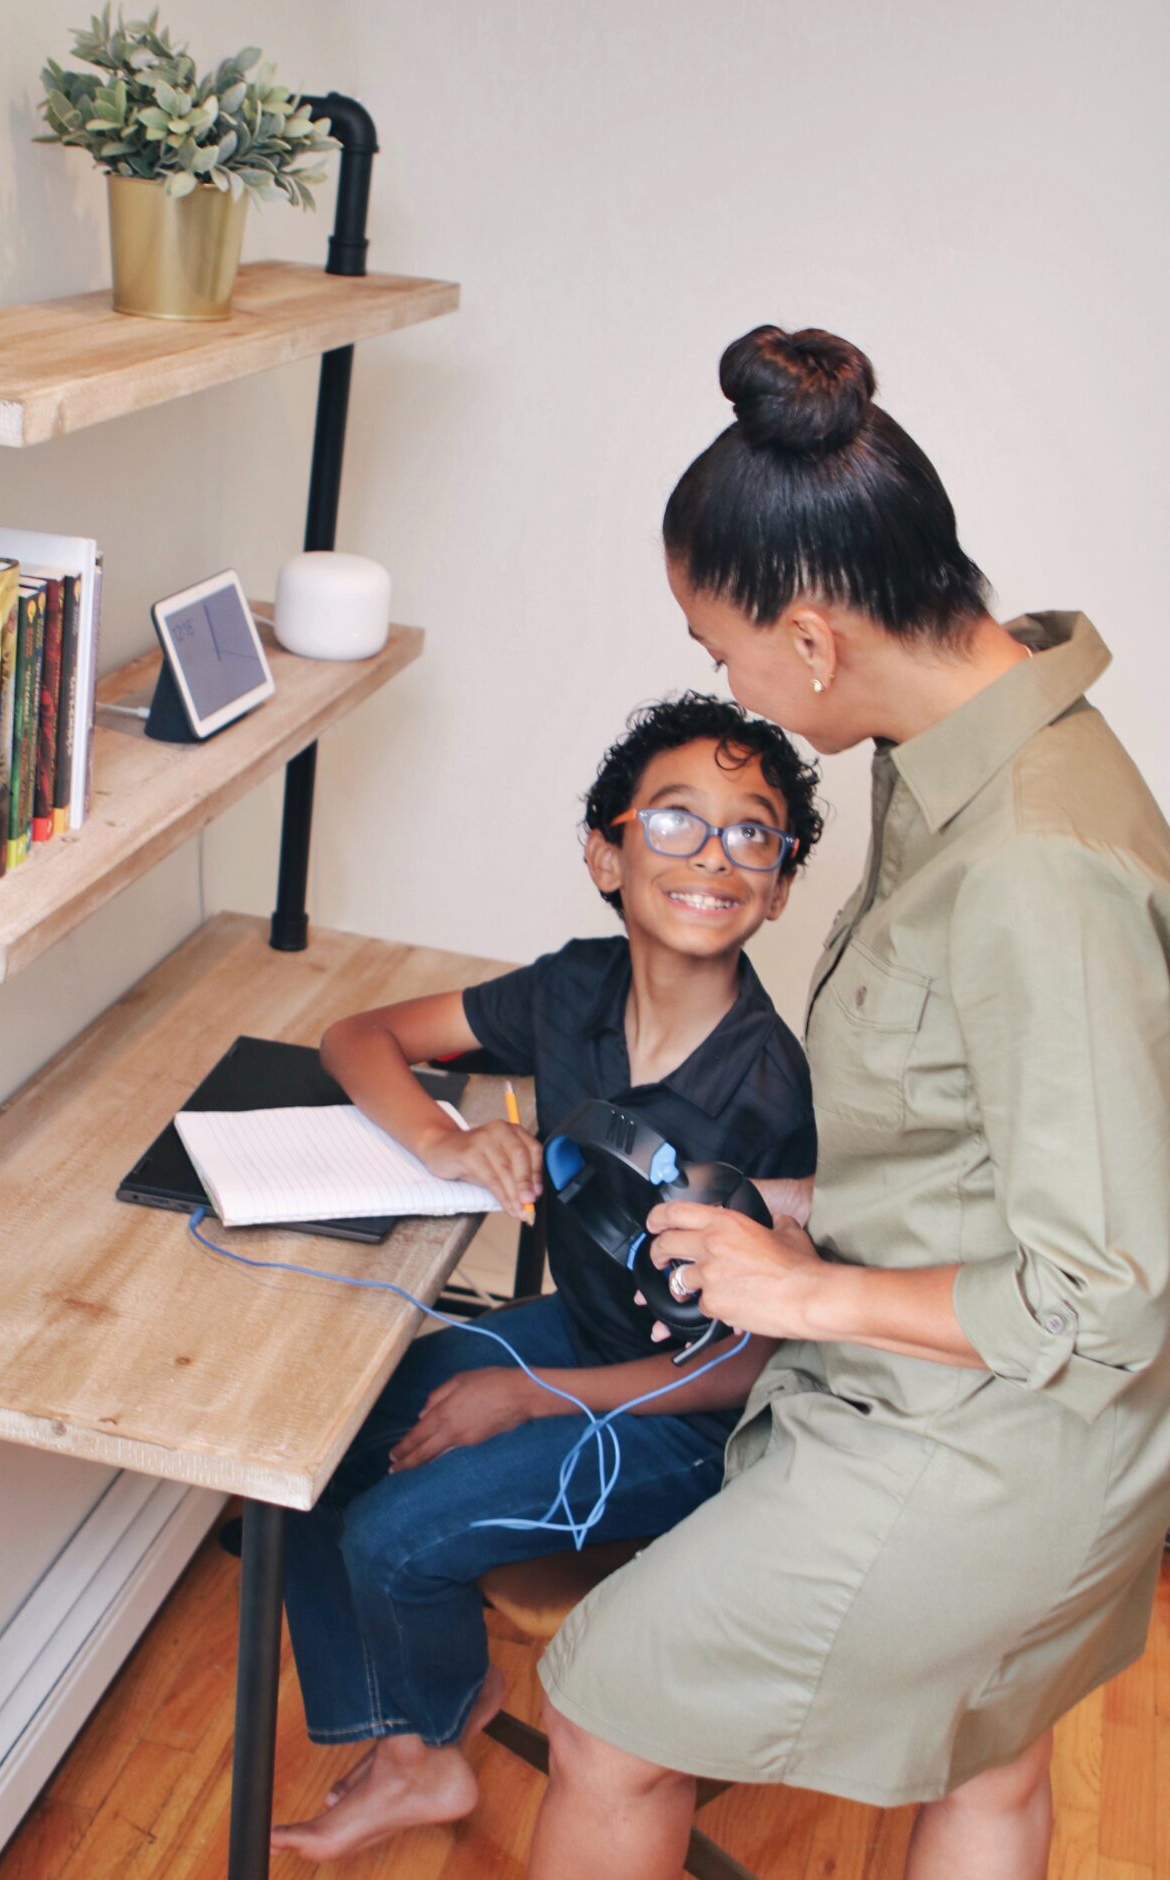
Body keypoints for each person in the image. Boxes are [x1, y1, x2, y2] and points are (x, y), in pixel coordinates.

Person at [529, 326, 1170, 1880]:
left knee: (607, 1714)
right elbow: (1015, 1119)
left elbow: (1103, 1294)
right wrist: (820, 1208)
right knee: (992, 1770)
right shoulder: (963, 730)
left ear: (810, 643)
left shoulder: (1032, 864)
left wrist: (806, 1289)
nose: (722, 684)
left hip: (994, 1447)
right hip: (1019, 1420)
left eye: (719, 648)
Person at [268, 693, 822, 1861]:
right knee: (310, 1445)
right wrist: (447, 1141)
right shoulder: (572, 990)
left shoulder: (770, 1092)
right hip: (574, 1328)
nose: (713, 854)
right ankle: (422, 1744)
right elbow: (358, 1035)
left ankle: (426, 1731)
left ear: (776, 885)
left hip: (691, 1419)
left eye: (752, 832)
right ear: (605, 852)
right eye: (675, 821)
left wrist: (532, 1395)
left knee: (390, 1536)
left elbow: (751, 1364)